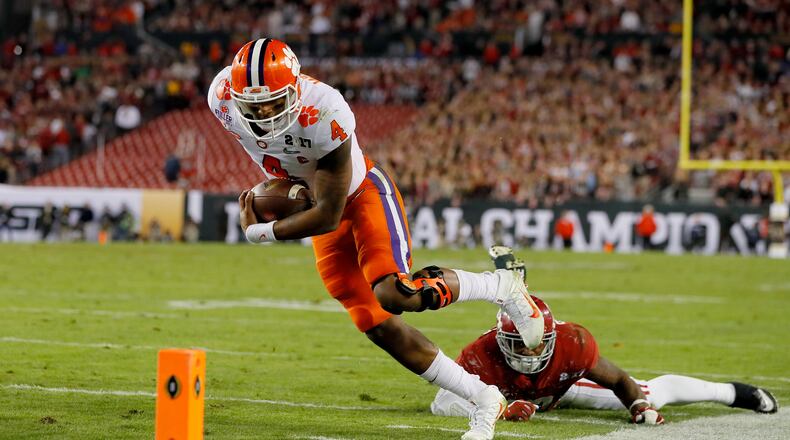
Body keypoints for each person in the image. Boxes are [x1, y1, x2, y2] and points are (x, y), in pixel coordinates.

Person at [207, 38, 546, 440]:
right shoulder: (222, 98)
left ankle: (501, 286)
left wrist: (261, 231)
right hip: (314, 200)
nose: (263, 115)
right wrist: (281, 196)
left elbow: (328, 213)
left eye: (273, 103)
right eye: (254, 106)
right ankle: (483, 396)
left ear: (296, 91)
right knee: (376, 324)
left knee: (394, 293)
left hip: (360, 194)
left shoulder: (324, 109)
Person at [430, 247, 778, 424]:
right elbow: (442, 403)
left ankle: (732, 392)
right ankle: (511, 291)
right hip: (511, 390)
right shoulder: (482, 354)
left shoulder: (571, 345)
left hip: (560, 388)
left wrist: (638, 404)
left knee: (653, 392)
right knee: (506, 333)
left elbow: (618, 379)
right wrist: (502, 409)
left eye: (535, 341)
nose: (529, 351)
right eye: (517, 343)